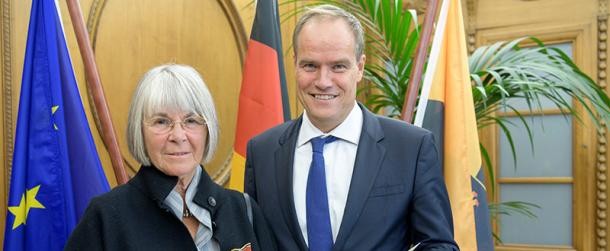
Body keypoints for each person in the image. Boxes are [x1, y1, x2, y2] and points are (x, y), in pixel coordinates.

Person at [244, 5, 458, 251]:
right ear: (295, 64)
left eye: (338, 67)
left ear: (360, 67)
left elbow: (439, 245)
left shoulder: (411, 148)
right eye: (310, 65)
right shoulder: (261, 151)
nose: (323, 81)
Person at [66, 64, 276, 251]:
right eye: (161, 122)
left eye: (191, 121)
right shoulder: (106, 218)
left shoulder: (242, 210)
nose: (178, 136)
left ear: (207, 130)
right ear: (140, 131)